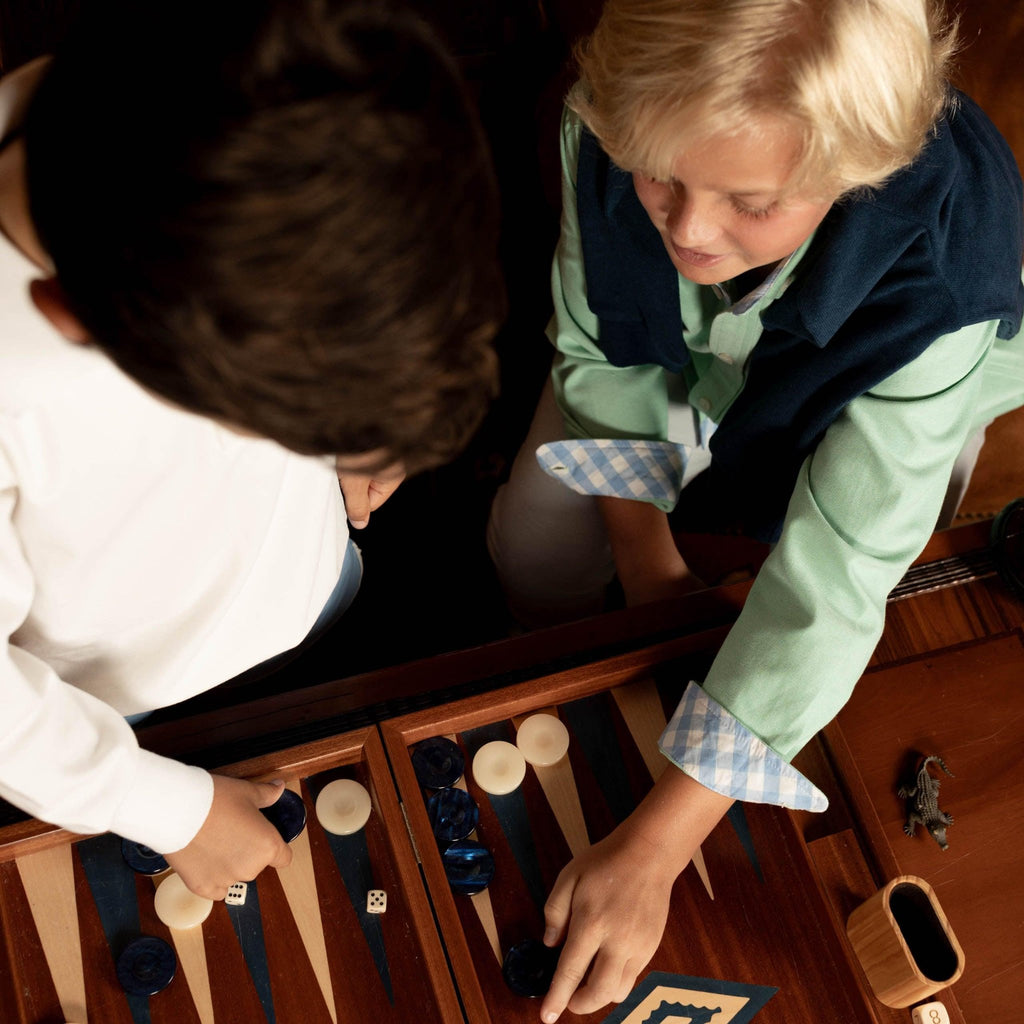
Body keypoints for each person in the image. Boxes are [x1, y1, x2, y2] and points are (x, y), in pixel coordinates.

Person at [486, 1, 1023, 1020]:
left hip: (894, 391)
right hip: (662, 363)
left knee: (830, 615)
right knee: (531, 547)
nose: (688, 230)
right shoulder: (616, 117)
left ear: (859, 172)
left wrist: (657, 844)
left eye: (749, 200)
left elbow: (838, 569)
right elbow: (600, 355)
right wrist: (646, 581)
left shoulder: (947, 282)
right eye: (659, 177)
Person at [0, 0, 501, 901]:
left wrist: (365, 423)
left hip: (313, 591)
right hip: (119, 704)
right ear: (72, 323)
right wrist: (161, 806)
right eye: (262, 422)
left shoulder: (246, 95)